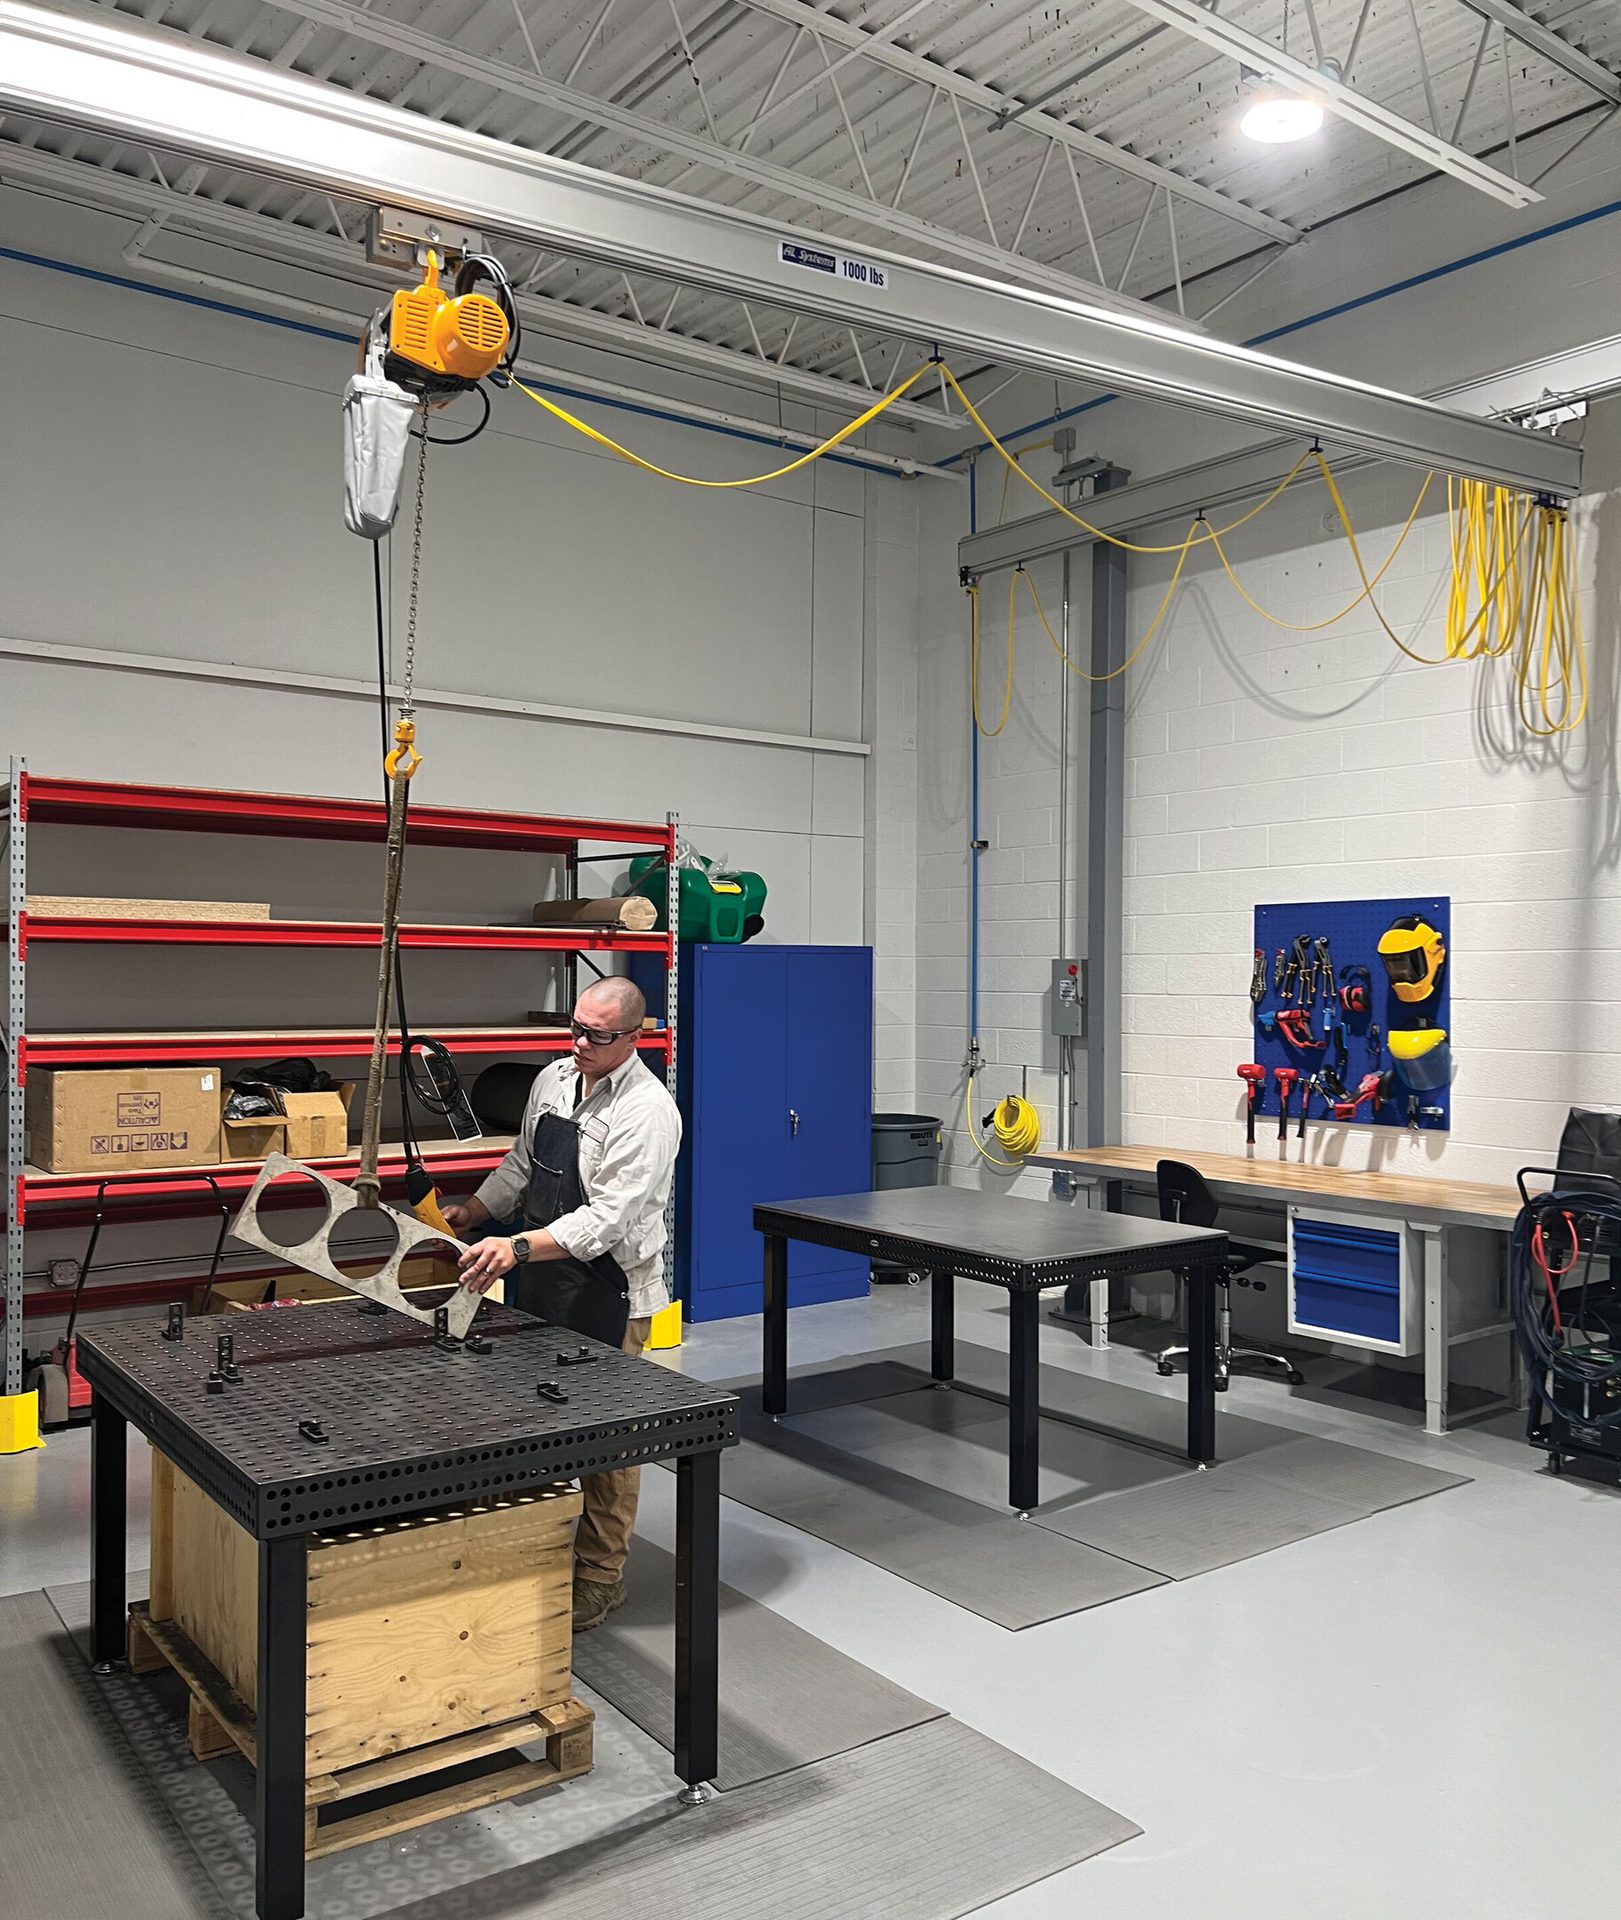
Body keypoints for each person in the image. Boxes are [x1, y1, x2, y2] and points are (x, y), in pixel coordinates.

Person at [444, 976, 681, 1632]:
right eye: (575, 1028)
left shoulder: (646, 1111)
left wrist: (516, 1247)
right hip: (544, 1280)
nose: (579, 1043)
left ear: (634, 1037)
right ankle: (537, 1555)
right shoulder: (552, 1079)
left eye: (596, 1036)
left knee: (608, 1442)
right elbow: (522, 1165)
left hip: (611, 1289)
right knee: (530, 1421)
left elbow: (606, 1221)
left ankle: (600, 1577)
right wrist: (476, 1210)